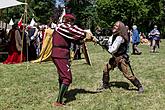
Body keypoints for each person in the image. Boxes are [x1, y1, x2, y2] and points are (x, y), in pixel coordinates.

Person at [51, 13, 95, 106]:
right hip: (60, 54)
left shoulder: (62, 28)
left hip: (60, 54)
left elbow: (76, 40)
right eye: (72, 21)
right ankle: (58, 101)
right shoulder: (63, 26)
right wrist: (88, 34)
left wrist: (87, 39)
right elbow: (78, 32)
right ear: (69, 21)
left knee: (62, 76)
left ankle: (62, 94)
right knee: (67, 78)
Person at [97, 21, 144, 94]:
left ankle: (139, 86)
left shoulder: (120, 37)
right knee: (105, 69)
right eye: (114, 25)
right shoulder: (113, 36)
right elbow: (109, 43)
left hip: (121, 59)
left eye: (116, 26)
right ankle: (105, 84)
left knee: (127, 75)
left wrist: (105, 46)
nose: (114, 27)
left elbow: (113, 49)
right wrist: (103, 43)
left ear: (120, 28)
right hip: (114, 58)